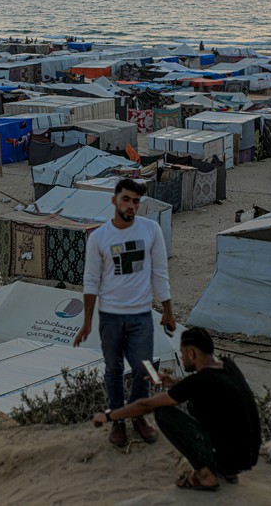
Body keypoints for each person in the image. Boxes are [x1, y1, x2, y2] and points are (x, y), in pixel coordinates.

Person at [92, 327, 261, 491]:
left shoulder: (199, 382)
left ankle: (205, 475)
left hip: (230, 458)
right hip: (248, 456)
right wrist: (175, 383)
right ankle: (228, 471)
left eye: (182, 352)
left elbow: (147, 405)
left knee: (164, 413)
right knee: (195, 404)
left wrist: (109, 416)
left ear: (191, 353)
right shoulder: (227, 365)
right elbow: (204, 389)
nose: (181, 357)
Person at [74, 178, 174, 448]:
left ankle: (139, 417)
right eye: (127, 199)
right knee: (114, 369)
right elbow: (91, 281)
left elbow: (159, 272)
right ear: (114, 200)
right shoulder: (99, 238)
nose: (131, 206)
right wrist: (86, 322)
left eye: (136, 201)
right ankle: (117, 421)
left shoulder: (151, 230)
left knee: (145, 367)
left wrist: (167, 309)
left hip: (142, 315)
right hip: (111, 317)